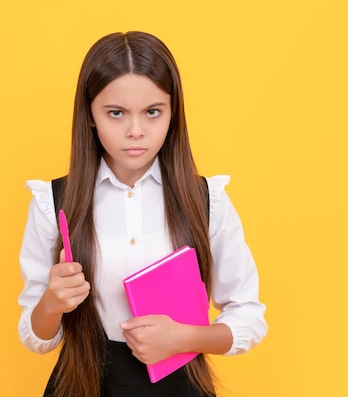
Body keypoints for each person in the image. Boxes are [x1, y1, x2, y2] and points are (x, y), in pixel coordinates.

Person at [18, 31, 267, 397]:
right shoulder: (52, 202)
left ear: (172, 111)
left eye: (152, 112)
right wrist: (52, 303)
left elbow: (249, 315)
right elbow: (36, 337)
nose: (136, 131)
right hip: (84, 385)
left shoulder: (206, 200)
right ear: (89, 114)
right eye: (116, 113)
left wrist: (183, 337)